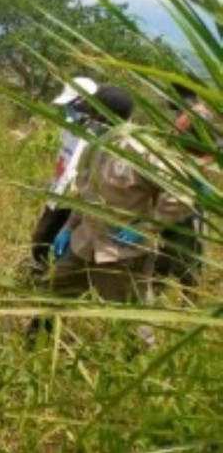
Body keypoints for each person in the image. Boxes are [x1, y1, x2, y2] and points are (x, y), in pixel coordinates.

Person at [35, 86, 190, 316]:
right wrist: (68, 227)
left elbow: (180, 194)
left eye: (90, 117)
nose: (86, 122)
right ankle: (37, 338)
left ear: (104, 117)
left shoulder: (141, 151)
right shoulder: (95, 147)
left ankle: (140, 351)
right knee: (51, 295)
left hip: (122, 252)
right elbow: (86, 193)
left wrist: (147, 227)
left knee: (130, 318)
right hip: (84, 241)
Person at [29, 77, 98, 275]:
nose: (69, 109)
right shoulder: (71, 124)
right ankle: (38, 275)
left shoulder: (99, 135)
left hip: (75, 201)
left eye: (72, 104)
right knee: (40, 242)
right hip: (58, 194)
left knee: (54, 248)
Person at [155, 82, 215, 291]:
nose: (164, 99)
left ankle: (190, 296)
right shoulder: (187, 114)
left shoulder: (198, 116)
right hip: (177, 187)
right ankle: (161, 285)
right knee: (170, 240)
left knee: (190, 245)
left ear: (177, 94)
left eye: (167, 93)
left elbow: (212, 149)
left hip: (191, 190)